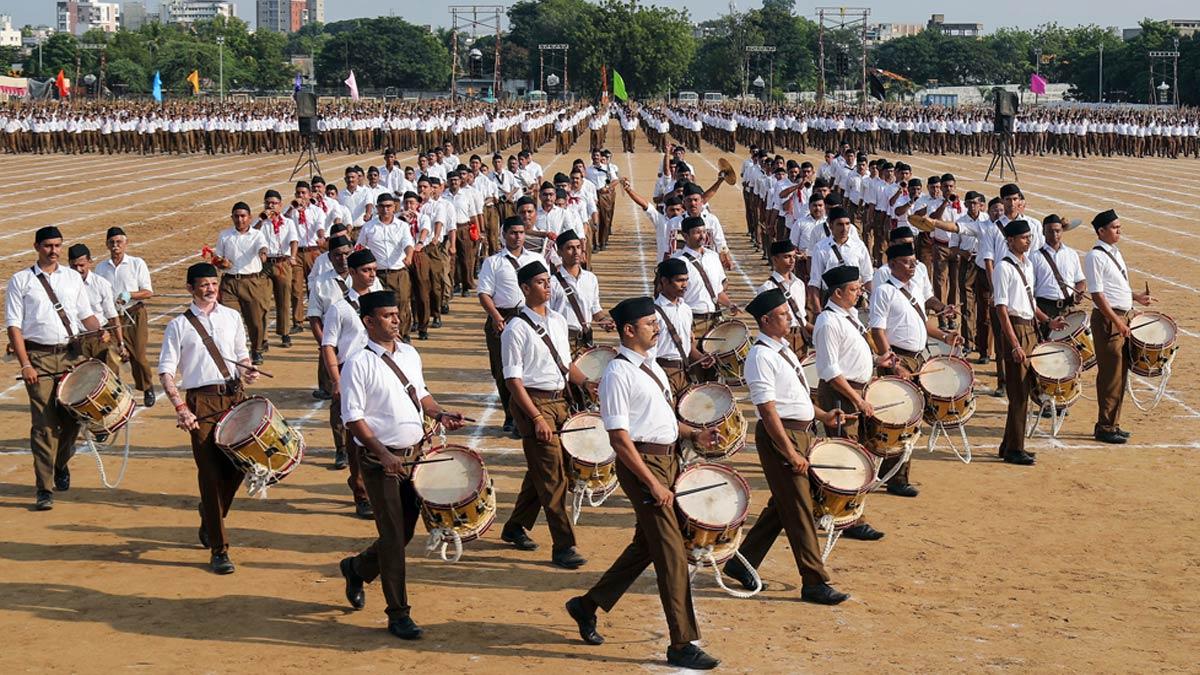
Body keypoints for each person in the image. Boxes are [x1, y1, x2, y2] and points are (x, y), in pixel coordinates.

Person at [565, 296, 722, 671]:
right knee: (671, 554)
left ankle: (586, 605)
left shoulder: (648, 366)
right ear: (628, 330)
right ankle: (682, 642)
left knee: (645, 547)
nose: (657, 327)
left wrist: (692, 435)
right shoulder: (619, 374)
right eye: (650, 323)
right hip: (644, 466)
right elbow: (620, 438)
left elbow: (660, 420)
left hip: (666, 459)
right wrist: (652, 483)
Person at [336, 290, 468, 640]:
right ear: (368, 321)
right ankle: (398, 613)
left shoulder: (409, 353)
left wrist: (440, 412)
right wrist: (383, 454)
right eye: (387, 315)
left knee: (406, 532)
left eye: (397, 314)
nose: (396, 320)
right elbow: (353, 418)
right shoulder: (357, 363)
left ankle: (357, 568)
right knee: (393, 537)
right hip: (381, 462)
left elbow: (420, 393)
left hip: (414, 456)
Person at [722, 289, 850, 604]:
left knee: (783, 505)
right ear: (765, 320)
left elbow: (797, 398)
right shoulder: (760, 356)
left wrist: (822, 414)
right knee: (799, 507)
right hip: (783, 437)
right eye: (782, 314)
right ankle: (814, 581)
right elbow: (767, 411)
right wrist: (790, 452)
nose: (789, 318)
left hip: (801, 432)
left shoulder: (782, 349)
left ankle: (742, 563)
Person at [158, 263, 259, 573]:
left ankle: (209, 514)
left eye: (213, 283)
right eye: (203, 284)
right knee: (210, 475)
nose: (210, 289)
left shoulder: (231, 317)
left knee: (240, 466)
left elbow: (241, 355)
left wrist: (248, 369)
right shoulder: (178, 325)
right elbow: (166, 371)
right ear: (191, 288)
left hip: (233, 398)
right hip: (200, 403)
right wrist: (180, 408)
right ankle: (219, 548)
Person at [498, 261, 590, 568]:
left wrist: (591, 384)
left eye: (548, 281)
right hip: (534, 405)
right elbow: (513, 381)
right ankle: (564, 545)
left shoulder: (558, 321)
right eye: (540, 282)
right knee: (554, 478)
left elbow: (566, 366)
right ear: (525, 289)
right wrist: (536, 418)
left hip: (560, 402)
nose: (547, 286)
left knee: (544, 469)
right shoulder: (515, 329)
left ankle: (514, 526)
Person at [6, 226, 104, 510]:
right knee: (45, 426)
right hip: (37, 358)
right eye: (48, 245)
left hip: (70, 357)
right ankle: (44, 488)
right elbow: (14, 326)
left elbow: (86, 317)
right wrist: (25, 364)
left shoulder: (73, 278)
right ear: (37, 246)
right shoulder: (21, 280)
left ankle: (61, 464)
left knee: (73, 421)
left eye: (58, 245)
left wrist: (101, 329)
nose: (53, 250)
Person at [868, 241, 962, 496]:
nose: (913, 266)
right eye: (907, 262)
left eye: (914, 262)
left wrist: (945, 336)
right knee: (899, 420)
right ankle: (896, 478)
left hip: (917, 357)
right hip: (899, 359)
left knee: (908, 419)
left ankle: (893, 473)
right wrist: (893, 362)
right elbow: (877, 330)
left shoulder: (914, 289)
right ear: (892, 265)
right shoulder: (884, 292)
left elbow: (923, 323)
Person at [812, 265, 893, 541]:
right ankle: (850, 519)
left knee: (855, 454)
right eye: (854, 289)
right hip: (841, 397)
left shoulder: (848, 316)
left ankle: (841, 512)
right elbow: (830, 371)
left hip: (854, 392)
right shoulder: (828, 322)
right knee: (846, 459)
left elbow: (850, 356)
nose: (860, 294)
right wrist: (857, 398)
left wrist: (875, 361)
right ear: (837, 292)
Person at [992, 220, 1067, 465]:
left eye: (1029, 237)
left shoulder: (1027, 264)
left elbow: (1030, 301)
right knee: (1019, 394)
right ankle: (1015, 449)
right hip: (1016, 328)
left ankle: (1008, 445)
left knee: (1025, 389)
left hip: (1030, 328)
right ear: (1010, 240)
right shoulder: (1004, 268)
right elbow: (1001, 309)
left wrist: (1048, 321)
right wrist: (1013, 343)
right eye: (1023, 237)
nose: (1028, 240)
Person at [319, 247, 384, 515]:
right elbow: (328, 346)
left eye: (374, 271)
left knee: (378, 429)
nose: (371, 275)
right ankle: (361, 491)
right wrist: (336, 380)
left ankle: (375, 484)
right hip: (349, 372)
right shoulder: (340, 308)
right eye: (366, 271)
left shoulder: (380, 303)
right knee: (355, 436)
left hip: (377, 370)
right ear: (353, 273)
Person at [1084, 209, 1155, 444]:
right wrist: (1117, 322)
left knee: (1121, 372)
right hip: (1108, 321)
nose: (1119, 231)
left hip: (1121, 317)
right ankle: (1105, 426)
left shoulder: (1114, 252)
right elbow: (1097, 294)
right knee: (1110, 374)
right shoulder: (1095, 256)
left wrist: (1135, 297)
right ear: (1101, 231)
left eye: (1119, 227)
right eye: (1115, 227)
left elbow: (1116, 288)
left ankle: (1113, 423)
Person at [477, 211, 543, 432]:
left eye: (521, 233)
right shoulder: (493, 262)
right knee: (503, 369)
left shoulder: (536, 259)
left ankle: (527, 413)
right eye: (513, 233)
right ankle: (510, 414)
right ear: (504, 235)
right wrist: (496, 317)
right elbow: (484, 293)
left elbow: (545, 290)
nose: (517, 237)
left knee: (528, 366)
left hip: (530, 316)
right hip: (503, 317)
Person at [95, 226, 156, 407]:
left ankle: (147, 387)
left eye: (119, 242)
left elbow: (148, 292)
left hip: (134, 314)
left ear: (126, 243)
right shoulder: (101, 268)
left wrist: (130, 294)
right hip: (112, 317)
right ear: (107, 245)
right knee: (111, 356)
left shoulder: (137, 263)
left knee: (137, 354)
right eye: (112, 242)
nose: (115, 246)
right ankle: (115, 394)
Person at [212, 202, 270, 365]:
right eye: (236, 216)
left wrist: (263, 253)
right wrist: (221, 264)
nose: (240, 219)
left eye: (243, 216)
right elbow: (218, 258)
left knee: (255, 319)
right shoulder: (225, 235)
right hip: (230, 282)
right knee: (229, 318)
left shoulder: (257, 235)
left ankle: (257, 350)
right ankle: (231, 350)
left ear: (250, 218)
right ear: (232, 217)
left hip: (251, 281)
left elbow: (263, 247)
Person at [356, 191, 415, 342]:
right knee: (380, 307)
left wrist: (409, 257)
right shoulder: (369, 227)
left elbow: (408, 244)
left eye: (388, 206)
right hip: (377, 274)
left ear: (394, 207)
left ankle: (402, 335)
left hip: (398, 271)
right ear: (377, 208)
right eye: (382, 206)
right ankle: (383, 336)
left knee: (401, 303)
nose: (385, 209)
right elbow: (360, 247)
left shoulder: (402, 226)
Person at [652, 259, 715, 397]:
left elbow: (687, 347)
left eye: (686, 280)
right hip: (663, 371)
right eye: (679, 280)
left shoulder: (686, 309)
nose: (685, 285)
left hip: (686, 372)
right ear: (664, 281)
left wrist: (701, 357)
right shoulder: (653, 313)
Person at [673, 216, 740, 339]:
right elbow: (672, 297)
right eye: (697, 233)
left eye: (704, 232)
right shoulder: (677, 262)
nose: (702, 236)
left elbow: (718, 291)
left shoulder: (713, 257)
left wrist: (729, 304)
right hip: (691, 322)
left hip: (714, 321)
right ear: (685, 236)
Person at [549, 229, 612, 354]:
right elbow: (547, 314)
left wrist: (604, 322)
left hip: (585, 339)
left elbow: (595, 308)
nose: (576, 252)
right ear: (559, 252)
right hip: (562, 340)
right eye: (570, 248)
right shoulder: (552, 283)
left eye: (578, 247)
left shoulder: (590, 278)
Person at [68, 243, 125, 377]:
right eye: (74, 266)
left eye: (82, 265)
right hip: (76, 340)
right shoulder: (63, 285)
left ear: (90, 262)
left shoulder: (101, 284)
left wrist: (120, 343)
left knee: (109, 377)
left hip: (100, 338)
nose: (78, 269)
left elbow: (112, 316)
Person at [253, 189, 300, 349]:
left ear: (280, 205)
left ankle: (285, 333)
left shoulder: (288, 222)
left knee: (284, 300)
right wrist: (261, 220)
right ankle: (263, 338)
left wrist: (292, 257)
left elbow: (294, 241)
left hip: (282, 263)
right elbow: (251, 235)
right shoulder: (259, 222)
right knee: (262, 302)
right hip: (264, 265)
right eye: (268, 203)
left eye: (274, 203)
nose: (271, 206)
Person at [1031, 214, 1086, 323]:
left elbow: (1080, 281)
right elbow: (1030, 289)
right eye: (1050, 231)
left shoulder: (1072, 254)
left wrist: (1078, 292)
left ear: (1062, 231)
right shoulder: (1034, 257)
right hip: (1045, 309)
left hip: (1068, 309)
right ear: (1043, 232)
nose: (1054, 234)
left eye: (1057, 231)